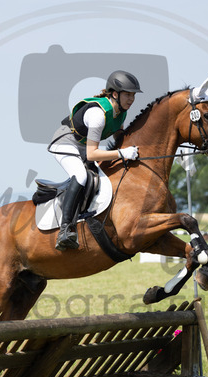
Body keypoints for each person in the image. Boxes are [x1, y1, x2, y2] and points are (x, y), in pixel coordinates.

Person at [49, 70, 142, 251]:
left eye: (133, 95)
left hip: (83, 147)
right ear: (115, 94)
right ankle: (65, 230)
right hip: (64, 143)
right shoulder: (98, 114)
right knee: (81, 176)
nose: (131, 99)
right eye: (128, 94)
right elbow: (92, 154)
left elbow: (119, 138)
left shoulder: (121, 113)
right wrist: (122, 153)